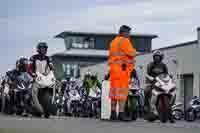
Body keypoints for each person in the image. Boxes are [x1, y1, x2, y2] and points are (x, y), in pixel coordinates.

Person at [109, 25, 136, 121]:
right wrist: (134, 51)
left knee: (114, 92)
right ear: (124, 32)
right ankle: (121, 113)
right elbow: (131, 53)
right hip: (122, 71)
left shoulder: (113, 42)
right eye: (128, 33)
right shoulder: (125, 41)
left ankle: (113, 113)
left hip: (113, 71)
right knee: (122, 93)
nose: (129, 35)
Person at [144, 50, 175, 123]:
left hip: (161, 83)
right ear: (153, 57)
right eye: (155, 57)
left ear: (161, 57)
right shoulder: (151, 64)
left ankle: (170, 115)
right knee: (147, 90)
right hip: (152, 82)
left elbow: (166, 74)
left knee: (170, 92)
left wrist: (169, 78)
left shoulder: (163, 65)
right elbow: (148, 73)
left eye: (158, 57)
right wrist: (150, 78)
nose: (157, 58)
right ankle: (146, 106)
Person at [29, 42, 54, 116]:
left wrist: (52, 71)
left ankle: (49, 106)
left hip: (45, 78)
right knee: (34, 90)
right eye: (43, 48)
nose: (44, 50)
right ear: (38, 49)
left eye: (45, 48)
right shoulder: (33, 57)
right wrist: (32, 73)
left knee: (52, 87)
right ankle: (35, 105)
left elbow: (51, 67)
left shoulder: (48, 58)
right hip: (36, 78)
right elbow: (29, 67)